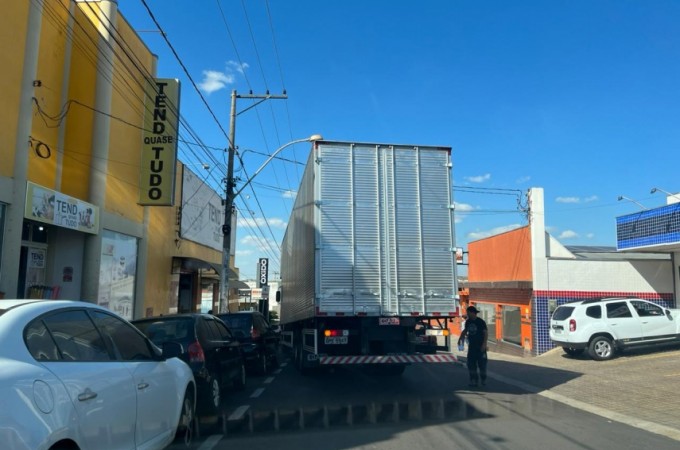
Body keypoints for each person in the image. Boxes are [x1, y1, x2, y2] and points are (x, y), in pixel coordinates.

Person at [457, 305, 488, 387]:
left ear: (472, 313)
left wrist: (484, 344)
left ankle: (483, 379)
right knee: (471, 364)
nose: (467, 314)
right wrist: (460, 339)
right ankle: (474, 380)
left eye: (468, 312)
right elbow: (465, 330)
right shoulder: (468, 321)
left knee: (482, 365)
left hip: (480, 347)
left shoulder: (481, 322)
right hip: (472, 347)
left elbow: (485, 333)